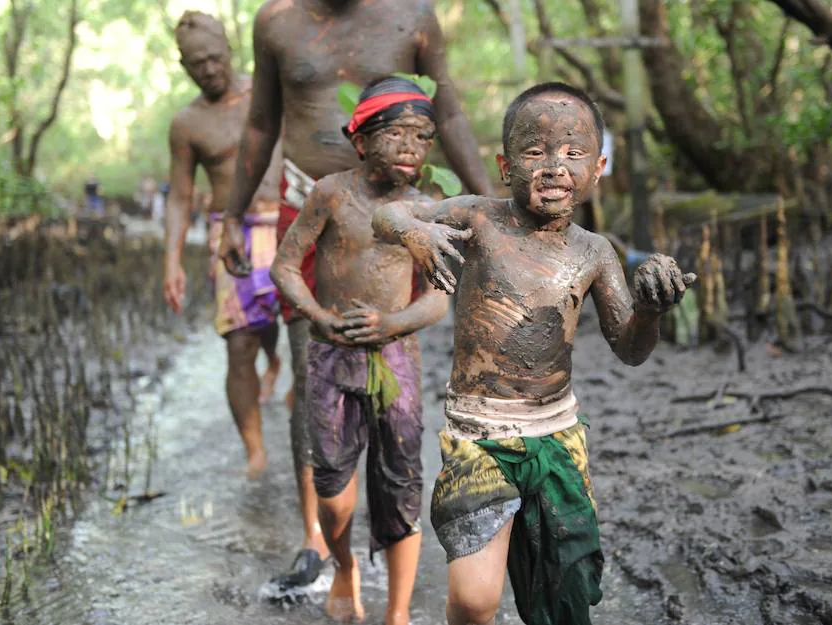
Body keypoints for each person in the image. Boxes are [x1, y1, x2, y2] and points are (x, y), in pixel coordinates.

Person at [373, 82, 696, 625]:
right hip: (479, 435)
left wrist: (649, 312)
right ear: (504, 165)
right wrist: (417, 233)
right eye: (534, 153)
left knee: (564, 592)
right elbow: (387, 217)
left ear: (599, 168)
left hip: (556, 435)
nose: (553, 167)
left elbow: (630, 350)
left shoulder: (595, 251)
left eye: (573, 154)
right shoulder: (478, 218)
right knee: (476, 600)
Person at [218, 0, 494, 591]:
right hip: (310, 199)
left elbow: (448, 115)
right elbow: (262, 124)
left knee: (395, 380)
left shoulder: (412, 16)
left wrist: (492, 206)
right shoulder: (276, 20)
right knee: (311, 357)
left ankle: (387, 521)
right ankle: (317, 534)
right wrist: (232, 215)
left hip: (404, 210)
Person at [270, 76, 448, 625]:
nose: (408, 147)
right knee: (333, 488)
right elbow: (284, 265)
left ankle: (397, 613)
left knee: (401, 484)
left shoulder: (427, 207)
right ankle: (343, 565)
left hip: (396, 359)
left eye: (421, 137)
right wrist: (318, 315)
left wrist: (393, 321)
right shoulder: (331, 192)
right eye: (395, 133)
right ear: (360, 140)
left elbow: (440, 296)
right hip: (330, 357)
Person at [162, 11, 282, 477]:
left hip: (287, 221)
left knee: (298, 330)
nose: (209, 69)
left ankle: (279, 368)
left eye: (214, 58)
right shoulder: (187, 123)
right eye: (197, 64)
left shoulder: (268, 94)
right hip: (231, 233)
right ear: (184, 66)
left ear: (230, 49)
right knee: (238, 343)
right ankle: (254, 450)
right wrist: (171, 261)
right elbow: (179, 197)